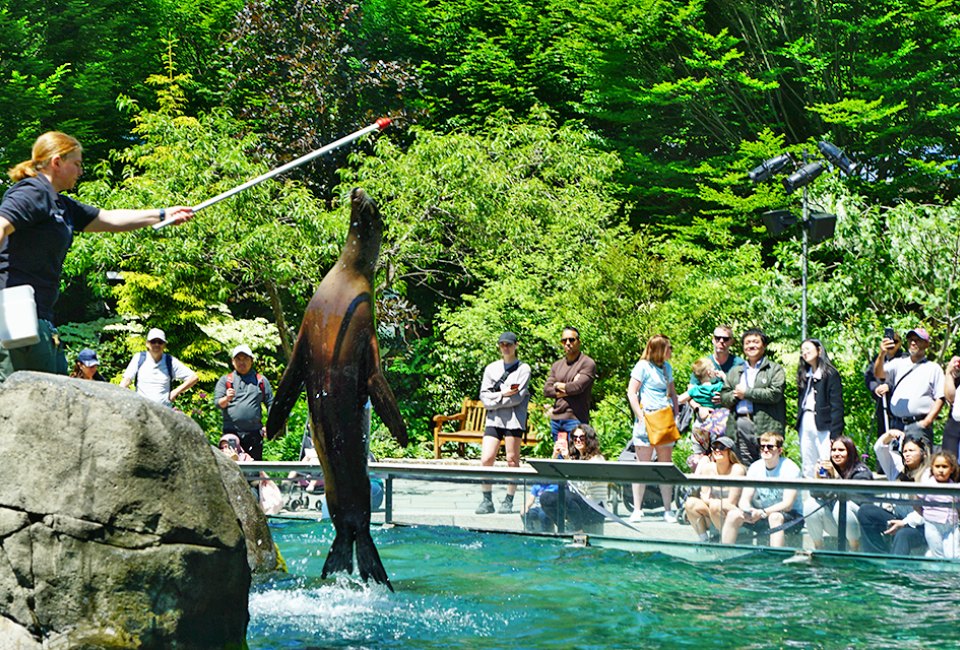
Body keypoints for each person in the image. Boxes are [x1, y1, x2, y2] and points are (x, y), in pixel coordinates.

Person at [0, 131, 193, 382]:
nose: (81, 171)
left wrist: (164, 214)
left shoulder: (62, 205)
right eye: (77, 164)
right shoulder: (32, 192)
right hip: (15, 318)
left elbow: (110, 218)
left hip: (40, 320)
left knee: (52, 396)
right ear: (57, 162)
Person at [476, 331, 532, 515]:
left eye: (509, 344)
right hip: (494, 419)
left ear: (516, 345)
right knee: (486, 458)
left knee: (512, 460)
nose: (505, 347)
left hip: (514, 420)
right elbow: (484, 397)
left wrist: (497, 396)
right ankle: (486, 499)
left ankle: (509, 499)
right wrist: (503, 393)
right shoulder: (491, 369)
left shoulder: (524, 369)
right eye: (502, 344)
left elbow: (517, 397)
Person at [626, 334, 680, 524]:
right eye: (668, 348)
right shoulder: (642, 366)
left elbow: (672, 392)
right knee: (642, 466)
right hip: (646, 419)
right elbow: (631, 392)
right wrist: (640, 416)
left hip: (664, 419)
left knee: (665, 466)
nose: (671, 351)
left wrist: (676, 413)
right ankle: (637, 509)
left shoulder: (666, 368)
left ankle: (668, 509)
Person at [722, 432, 802, 547]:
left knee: (775, 517)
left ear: (779, 450)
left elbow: (787, 505)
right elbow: (744, 499)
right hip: (762, 514)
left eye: (770, 447)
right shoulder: (755, 467)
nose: (765, 450)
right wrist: (749, 511)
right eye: (762, 447)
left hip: (792, 518)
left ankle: (775, 559)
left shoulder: (791, 468)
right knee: (733, 514)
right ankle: (724, 555)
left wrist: (763, 512)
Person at [720, 329, 786, 465]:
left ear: (764, 345)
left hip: (767, 425)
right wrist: (735, 395)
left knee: (768, 463)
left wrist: (747, 393)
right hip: (741, 424)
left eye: (755, 342)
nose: (751, 346)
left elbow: (775, 394)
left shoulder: (774, 369)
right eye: (747, 343)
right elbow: (724, 397)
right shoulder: (735, 371)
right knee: (745, 464)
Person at [857, 430, 929, 556]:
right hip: (899, 519)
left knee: (903, 534)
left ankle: (896, 571)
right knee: (865, 511)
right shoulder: (897, 470)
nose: (907, 454)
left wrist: (904, 523)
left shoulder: (929, 476)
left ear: (923, 453)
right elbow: (879, 448)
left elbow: (928, 512)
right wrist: (889, 435)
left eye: (911, 451)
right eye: (905, 451)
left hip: (921, 526)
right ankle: (876, 556)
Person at [873, 326, 944, 451]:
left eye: (917, 340)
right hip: (896, 424)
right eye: (910, 339)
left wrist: (926, 422)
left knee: (918, 464)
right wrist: (882, 353)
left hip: (918, 424)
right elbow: (879, 374)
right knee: (896, 463)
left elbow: (940, 397)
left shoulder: (933, 368)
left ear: (926, 344)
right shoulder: (898, 363)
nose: (913, 343)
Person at [802, 436, 872, 551]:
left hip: (859, 524)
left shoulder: (861, 471)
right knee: (810, 504)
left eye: (841, 450)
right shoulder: (829, 468)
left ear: (850, 452)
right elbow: (814, 494)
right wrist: (817, 478)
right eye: (834, 450)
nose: (836, 453)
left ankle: (855, 550)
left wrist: (836, 477)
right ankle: (818, 549)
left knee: (842, 506)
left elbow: (855, 497)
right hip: (836, 523)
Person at [539, 424, 608, 532]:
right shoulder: (575, 458)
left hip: (595, 507)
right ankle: (565, 527)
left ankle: (577, 531)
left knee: (567, 495)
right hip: (576, 505)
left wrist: (567, 460)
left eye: (582, 437)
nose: (578, 440)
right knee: (546, 497)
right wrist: (555, 455)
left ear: (589, 439)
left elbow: (583, 486)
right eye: (575, 438)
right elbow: (550, 478)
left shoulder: (597, 459)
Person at [213, 344, 274, 461]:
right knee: (232, 466)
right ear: (233, 362)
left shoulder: (260, 381)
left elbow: (271, 403)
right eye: (238, 359)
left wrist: (270, 426)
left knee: (254, 470)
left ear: (251, 361)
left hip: (254, 433)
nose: (242, 362)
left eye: (245, 359)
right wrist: (226, 399)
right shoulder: (226, 380)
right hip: (232, 433)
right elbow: (218, 403)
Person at [796, 338, 845, 478]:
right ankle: (811, 493)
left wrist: (836, 433)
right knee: (808, 460)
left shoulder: (830, 374)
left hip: (824, 423)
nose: (805, 353)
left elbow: (837, 406)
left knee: (826, 460)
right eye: (802, 351)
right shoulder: (804, 375)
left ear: (819, 350)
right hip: (806, 421)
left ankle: (829, 494)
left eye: (808, 349)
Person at [683, 436, 745, 542]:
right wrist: (712, 502)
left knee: (716, 505)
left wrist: (712, 501)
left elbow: (732, 502)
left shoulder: (737, 469)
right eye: (714, 447)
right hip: (714, 511)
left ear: (731, 451)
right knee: (690, 503)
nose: (717, 450)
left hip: (735, 515)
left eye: (721, 447)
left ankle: (724, 541)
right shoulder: (708, 468)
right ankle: (704, 541)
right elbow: (703, 496)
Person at [119, 328, 199, 408]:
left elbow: (193, 377)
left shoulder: (170, 361)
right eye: (153, 342)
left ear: (164, 345)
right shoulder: (139, 358)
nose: (156, 345)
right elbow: (126, 380)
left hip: (164, 412)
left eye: (160, 342)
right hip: (142, 410)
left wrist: (175, 392)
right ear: (147, 344)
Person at [543, 326, 597, 442]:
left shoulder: (587, 363)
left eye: (571, 340)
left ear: (579, 342)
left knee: (574, 456)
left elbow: (577, 387)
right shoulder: (557, 365)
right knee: (559, 456)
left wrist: (557, 385)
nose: (568, 343)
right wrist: (568, 387)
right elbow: (547, 390)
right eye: (564, 340)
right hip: (556, 421)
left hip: (575, 419)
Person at [678, 356, 730, 470]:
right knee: (717, 456)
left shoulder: (695, 389)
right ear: (709, 373)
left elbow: (680, 399)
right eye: (713, 368)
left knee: (699, 456)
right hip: (716, 426)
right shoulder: (718, 386)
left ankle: (698, 479)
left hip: (699, 426)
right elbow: (731, 387)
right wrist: (723, 376)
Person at [688, 325, 745, 405]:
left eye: (725, 339)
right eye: (717, 338)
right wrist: (699, 409)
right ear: (713, 340)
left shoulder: (740, 364)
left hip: (732, 412)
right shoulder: (704, 363)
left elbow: (745, 391)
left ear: (731, 341)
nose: (721, 341)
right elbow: (690, 392)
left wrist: (726, 398)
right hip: (705, 412)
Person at [864, 330, 905, 438]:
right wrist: (875, 388)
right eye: (888, 341)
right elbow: (869, 377)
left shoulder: (905, 359)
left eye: (895, 342)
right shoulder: (877, 359)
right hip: (882, 404)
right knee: (883, 438)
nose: (892, 345)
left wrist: (890, 386)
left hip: (899, 408)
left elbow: (906, 380)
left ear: (900, 343)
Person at [920, 451, 960, 558]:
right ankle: (938, 573)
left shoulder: (955, 487)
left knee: (954, 554)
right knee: (937, 554)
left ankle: (952, 574)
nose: (941, 470)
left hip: (951, 525)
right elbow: (917, 502)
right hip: (932, 524)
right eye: (937, 466)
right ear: (932, 468)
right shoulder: (927, 485)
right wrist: (925, 515)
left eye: (945, 466)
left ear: (951, 469)